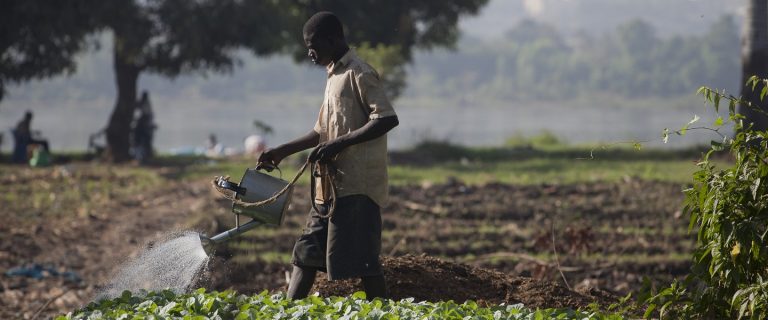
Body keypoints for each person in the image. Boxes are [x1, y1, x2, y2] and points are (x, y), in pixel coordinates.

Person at [258, 11, 399, 300]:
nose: (309, 52)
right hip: (329, 188)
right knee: (307, 250)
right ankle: (287, 310)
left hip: (357, 187)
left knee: (365, 260)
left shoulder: (359, 73)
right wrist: (281, 151)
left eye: (313, 45)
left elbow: (386, 118)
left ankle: (385, 310)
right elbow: (320, 132)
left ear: (333, 40)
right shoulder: (333, 75)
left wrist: (340, 144)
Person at [131, 91, 157, 162]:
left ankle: (143, 157)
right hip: (145, 129)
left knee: (142, 144)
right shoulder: (145, 105)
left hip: (145, 129)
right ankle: (141, 157)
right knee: (140, 144)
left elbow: (144, 117)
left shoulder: (146, 106)